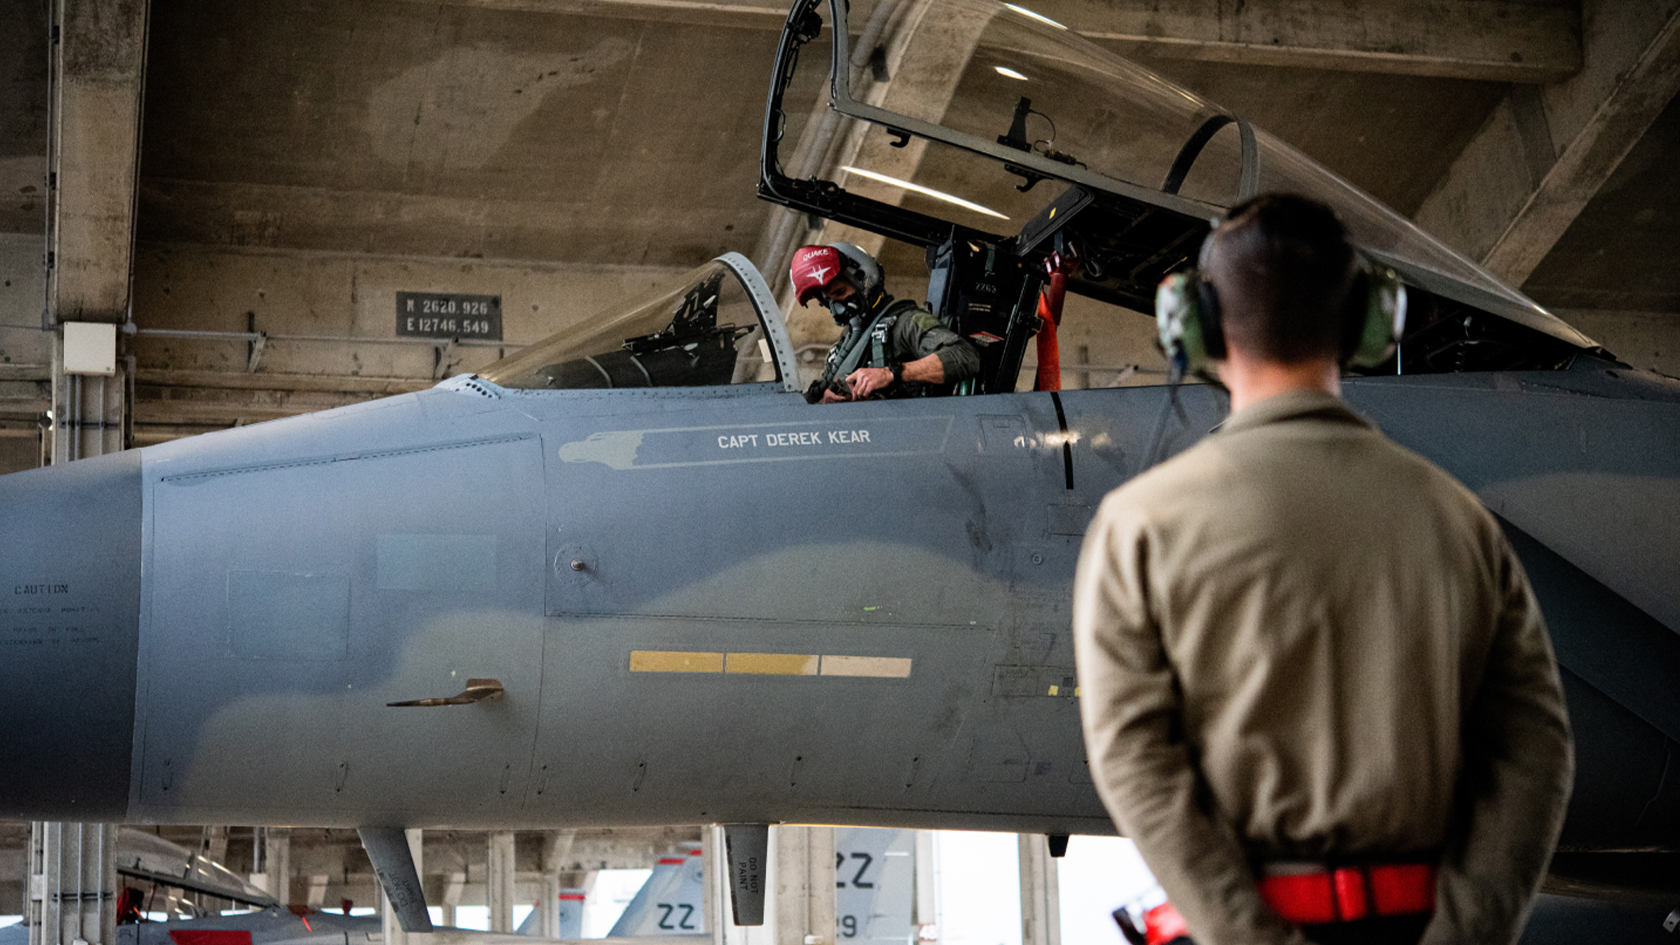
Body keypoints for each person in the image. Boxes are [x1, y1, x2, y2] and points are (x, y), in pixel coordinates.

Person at [1071, 194, 1574, 945]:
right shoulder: (1455, 517)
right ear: (1371, 319)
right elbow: (1535, 746)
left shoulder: (1138, 526)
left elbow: (1136, 762)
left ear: (1197, 325)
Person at [789, 242, 979, 403]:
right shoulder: (845, 344)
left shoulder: (904, 322)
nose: (838, 307)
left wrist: (891, 374)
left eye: (840, 293)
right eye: (830, 300)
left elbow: (964, 356)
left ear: (864, 281)